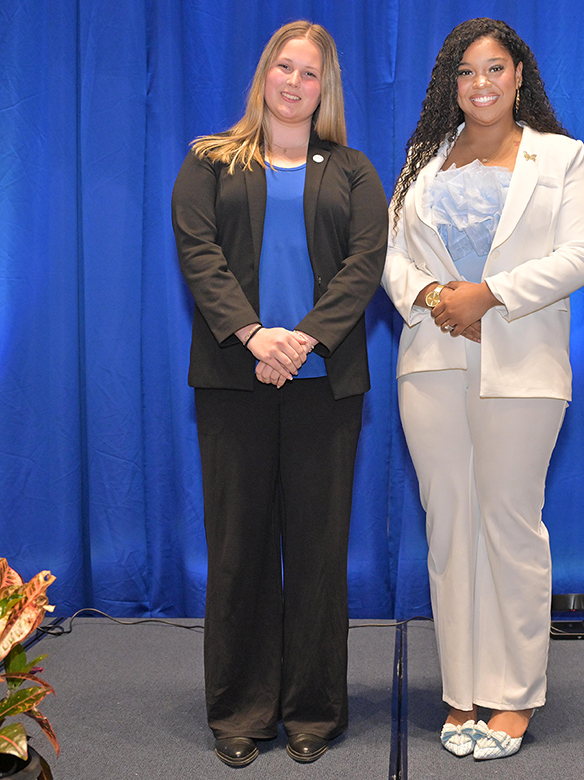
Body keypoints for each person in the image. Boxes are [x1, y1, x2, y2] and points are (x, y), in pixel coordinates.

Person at [171, 20, 387, 768]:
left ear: (325, 89)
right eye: (285, 68)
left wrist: (302, 340)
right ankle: (239, 710)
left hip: (326, 390)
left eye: (311, 74)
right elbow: (199, 256)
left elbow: (366, 265)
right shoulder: (209, 161)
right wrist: (256, 336)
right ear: (264, 74)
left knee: (320, 555)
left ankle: (313, 712)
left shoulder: (354, 171)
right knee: (240, 552)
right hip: (235, 381)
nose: (295, 83)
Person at [382, 18, 584, 761]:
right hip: (433, 363)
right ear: (452, 82)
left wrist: (490, 295)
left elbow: (580, 255)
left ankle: (512, 697)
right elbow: (390, 257)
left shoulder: (560, 156)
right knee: (449, 530)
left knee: (510, 526)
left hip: (524, 368)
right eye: (467, 71)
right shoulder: (422, 157)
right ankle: (462, 691)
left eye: (495, 68)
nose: (481, 83)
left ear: (518, 76)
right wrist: (441, 297)